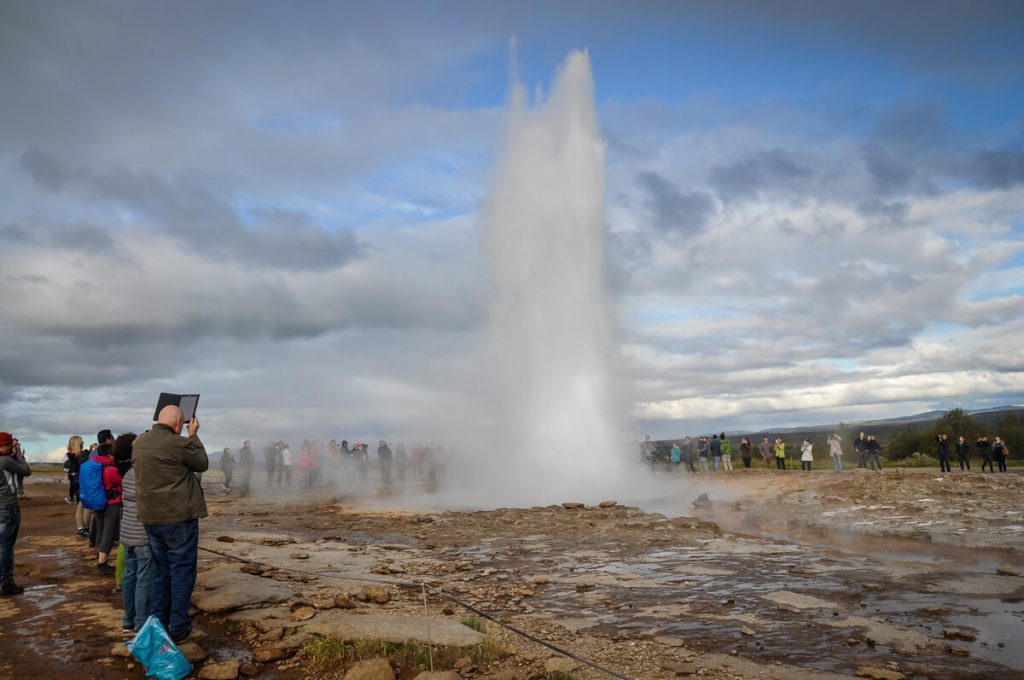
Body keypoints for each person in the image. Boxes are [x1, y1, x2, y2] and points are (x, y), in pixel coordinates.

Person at [132, 405, 208, 644]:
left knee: (160, 571)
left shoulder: (139, 442)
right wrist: (193, 434)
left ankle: (158, 622)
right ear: (178, 424)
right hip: (178, 519)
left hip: (151, 519)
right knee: (182, 571)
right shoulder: (178, 443)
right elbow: (202, 463)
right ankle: (179, 626)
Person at [119, 462, 153, 633]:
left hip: (127, 533)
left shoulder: (128, 474)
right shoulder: (148, 474)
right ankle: (141, 623)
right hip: (142, 533)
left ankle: (128, 620)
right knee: (144, 579)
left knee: (129, 576)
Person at [0, 432, 31, 595]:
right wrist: (18, 454)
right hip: (7, 505)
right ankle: (5, 583)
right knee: (5, 546)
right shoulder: (5, 461)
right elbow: (26, 471)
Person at [87, 441, 124, 574]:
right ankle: (102, 563)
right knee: (108, 533)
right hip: (112, 504)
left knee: (101, 531)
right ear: (109, 455)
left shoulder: (95, 467)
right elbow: (122, 482)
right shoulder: (110, 469)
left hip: (98, 503)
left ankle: (99, 556)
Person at [64, 435, 84, 503]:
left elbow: (67, 468)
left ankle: (72, 497)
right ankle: (72, 497)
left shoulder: (70, 457)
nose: (83, 443)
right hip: (80, 485)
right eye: (82, 442)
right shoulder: (79, 457)